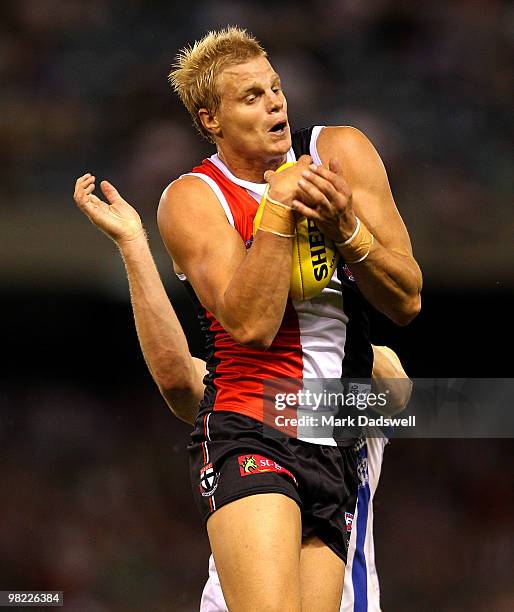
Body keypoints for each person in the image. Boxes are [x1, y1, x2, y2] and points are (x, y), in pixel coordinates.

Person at [74, 25, 421, 612]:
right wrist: (280, 209)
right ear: (211, 119)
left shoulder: (340, 152)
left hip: (334, 444)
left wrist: (345, 231)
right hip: (250, 426)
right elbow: (252, 325)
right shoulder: (192, 199)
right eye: (251, 96)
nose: (275, 103)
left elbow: (407, 299)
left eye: (276, 88)